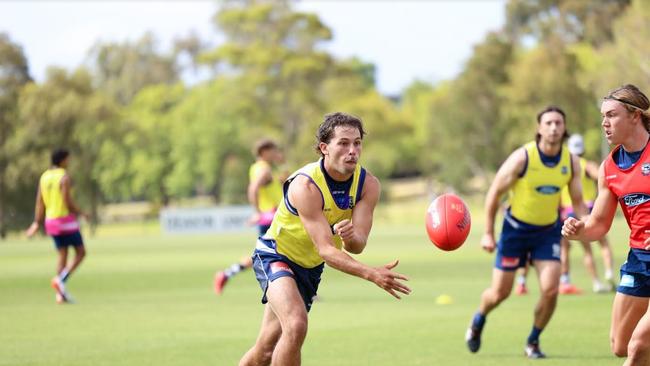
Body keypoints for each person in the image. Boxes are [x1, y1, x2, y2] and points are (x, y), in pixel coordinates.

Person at [239, 112, 411, 366]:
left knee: (265, 350)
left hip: (308, 268)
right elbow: (326, 251)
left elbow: (358, 245)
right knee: (296, 325)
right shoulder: (305, 185)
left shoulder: (367, 185)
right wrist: (371, 274)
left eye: (357, 143)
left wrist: (351, 236)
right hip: (276, 254)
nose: (352, 150)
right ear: (324, 148)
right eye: (343, 143)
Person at [465, 106, 587, 359]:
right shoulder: (523, 158)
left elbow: (578, 202)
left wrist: (587, 224)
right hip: (515, 232)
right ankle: (479, 319)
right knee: (500, 293)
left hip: (547, 232)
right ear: (539, 128)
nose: (554, 128)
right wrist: (488, 232)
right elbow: (494, 194)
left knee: (551, 289)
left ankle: (533, 341)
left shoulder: (570, 162)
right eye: (549, 123)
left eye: (558, 123)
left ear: (564, 128)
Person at [562, 84, 650, 365]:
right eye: (603, 116)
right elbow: (599, 224)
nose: (604, 123)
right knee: (621, 344)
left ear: (635, 115)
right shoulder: (609, 168)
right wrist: (579, 231)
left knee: (638, 346)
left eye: (612, 115)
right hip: (640, 259)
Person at [214, 139, 284, 295]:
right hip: (272, 217)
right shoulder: (264, 169)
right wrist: (258, 212)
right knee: (277, 254)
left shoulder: (259, 168)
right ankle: (301, 291)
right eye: (273, 150)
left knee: (268, 254)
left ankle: (226, 274)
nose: (276, 153)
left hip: (273, 217)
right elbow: (253, 189)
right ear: (265, 152)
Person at [26, 149, 86, 304]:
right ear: (62, 160)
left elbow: (40, 202)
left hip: (50, 222)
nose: (69, 162)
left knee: (62, 255)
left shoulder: (44, 177)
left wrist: (36, 223)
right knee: (81, 252)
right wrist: (81, 213)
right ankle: (61, 280)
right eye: (68, 159)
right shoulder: (63, 177)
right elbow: (67, 201)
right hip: (65, 221)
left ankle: (60, 294)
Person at [558, 134, 615, 294]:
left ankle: (596, 282)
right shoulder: (586, 164)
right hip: (587, 208)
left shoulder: (564, 167)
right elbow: (603, 177)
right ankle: (609, 272)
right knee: (603, 244)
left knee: (587, 250)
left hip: (568, 211)